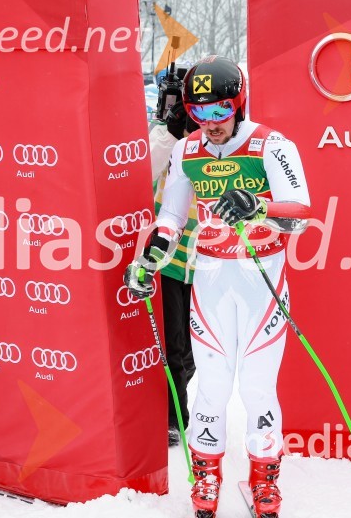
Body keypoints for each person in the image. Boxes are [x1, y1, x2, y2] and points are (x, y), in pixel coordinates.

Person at [125, 55, 311, 518]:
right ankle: (206, 475)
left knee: (257, 388)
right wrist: (152, 254)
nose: (210, 124)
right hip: (208, 280)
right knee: (209, 387)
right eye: (198, 112)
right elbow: (170, 217)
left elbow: (301, 215)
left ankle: (264, 478)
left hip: (260, 282)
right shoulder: (187, 152)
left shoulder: (273, 145)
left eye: (219, 111)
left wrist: (259, 207)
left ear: (239, 104)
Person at [148, 100, 199, 447]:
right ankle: (172, 416)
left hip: (207, 260)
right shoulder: (168, 142)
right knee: (173, 344)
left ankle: (172, 407)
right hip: (167, 257)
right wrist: (168, 129)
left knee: (194, 350)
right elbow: (144, 169)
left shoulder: (221, 141)